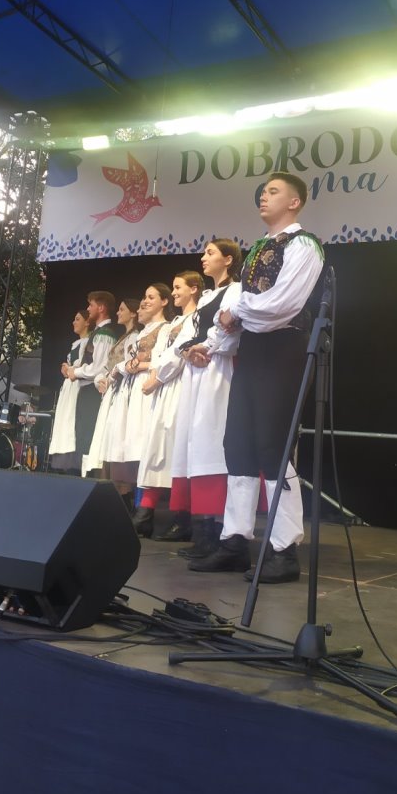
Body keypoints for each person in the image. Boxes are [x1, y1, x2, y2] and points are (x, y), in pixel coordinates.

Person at [189, 172, 324, 583]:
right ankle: (235, 541)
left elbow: (281, 305)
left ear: (295, 202)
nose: (264, 197)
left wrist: (237, 313)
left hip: (283, 351)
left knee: (273, 447)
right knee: (239, 445)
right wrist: (213, 343)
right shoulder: (258, 249)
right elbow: (239, 311)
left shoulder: (304, 245)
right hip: (253, 352)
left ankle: (283, 550)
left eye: (273, 191)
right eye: (262, 191)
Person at [167, 239, 242, 558]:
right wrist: (188, 351)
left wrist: (205, 348)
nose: (203, 257)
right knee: (195, 445)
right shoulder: (208, 296)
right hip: (197, 373)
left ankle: (222, 534)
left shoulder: (236, 291)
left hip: (217, 372)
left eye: (210, 253)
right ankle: (204, 532)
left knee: (213, 444)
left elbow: (231, 333)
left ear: (228, 259)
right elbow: (188, 336)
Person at [134, 270, 204, 539]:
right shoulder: (174, 322)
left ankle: (183, 518)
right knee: (156, 449)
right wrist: (155, 373)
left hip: (179, 386)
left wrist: (157, 377)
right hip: (164, 387)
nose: (173, 293)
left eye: (178, 288)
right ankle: (145, 514)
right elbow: (161, 354)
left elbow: (179, 354)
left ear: (193, 289)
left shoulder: (196, 318)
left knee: (175, 451)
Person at [105, 284, 172, 513]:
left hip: (147, 387)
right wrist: (122, 368)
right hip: (131, 389)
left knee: (144, 444)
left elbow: (165, 359)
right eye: (144, 297)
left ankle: (144, 507)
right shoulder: (142, 333)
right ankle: (127, 503)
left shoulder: (166, 328)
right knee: (128, 444)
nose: (144, 301)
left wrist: (138, 365)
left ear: (164, 301)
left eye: (151, 297)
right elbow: (129, 362)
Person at [49, 292, 117, 473]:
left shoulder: (104, 334)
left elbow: (99, 367)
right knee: (82, 432)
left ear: (101, 308)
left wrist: (75, 371)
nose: (88, 309)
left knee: (86, 433)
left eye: (91, 305)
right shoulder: (98, 333)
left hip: (92, 390)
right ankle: (81, 472)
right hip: (85, 388)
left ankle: (86, 474)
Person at [81, 298, 141, 499]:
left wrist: (110, 377)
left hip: (123, 391)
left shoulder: (134, 337)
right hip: (112, 390)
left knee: (118, 439)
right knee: (108, 439)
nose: (118, 313)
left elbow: (128, 364)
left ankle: (124, 492)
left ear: (133, 313)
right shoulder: (124, 337)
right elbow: (107, 366)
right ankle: (110, 491)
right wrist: (101, 379)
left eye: (122, 309)